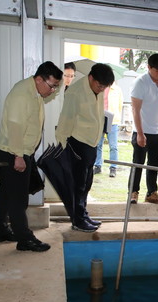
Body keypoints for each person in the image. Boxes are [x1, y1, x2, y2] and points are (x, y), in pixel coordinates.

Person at [0, 61, 62, 252]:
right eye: (52, 85)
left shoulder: (35, 92)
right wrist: (18, 156)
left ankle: (0, 231)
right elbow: (15, 125)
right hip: (14, 151)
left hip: (18, 151)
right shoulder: (22, 93)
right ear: (39, 79)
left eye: (56, 86)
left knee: (6, 191)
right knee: (18, 197)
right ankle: (25, 239)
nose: (53, 90)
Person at [55, 63, 115, 232]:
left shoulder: (97, 90)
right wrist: (63, 148)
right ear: (90, 78)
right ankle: (77, 220)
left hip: (91, 143)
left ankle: (83, 214)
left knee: (86, 183)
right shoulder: (75, 93)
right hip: (77, 143)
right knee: (77, 185)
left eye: (104, 86)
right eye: (100, 85)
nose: (101, 89)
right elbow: (65, 120)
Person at [129, 53, 158, 205]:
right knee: (138, 162)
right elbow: (135, 109)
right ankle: (133, 192)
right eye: (157, 71)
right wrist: (140, 133)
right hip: (141, 130)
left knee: (154, 164)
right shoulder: (140, 82)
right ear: (148, 67)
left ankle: (152, 193)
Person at [94, 82, 123, 177]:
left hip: (113, 121)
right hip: (99, 119)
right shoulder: (99, 87)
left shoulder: (117, 90)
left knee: (113, 146)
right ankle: (97, 165)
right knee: (98, 144)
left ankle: (113, 167)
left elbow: (120, 105)